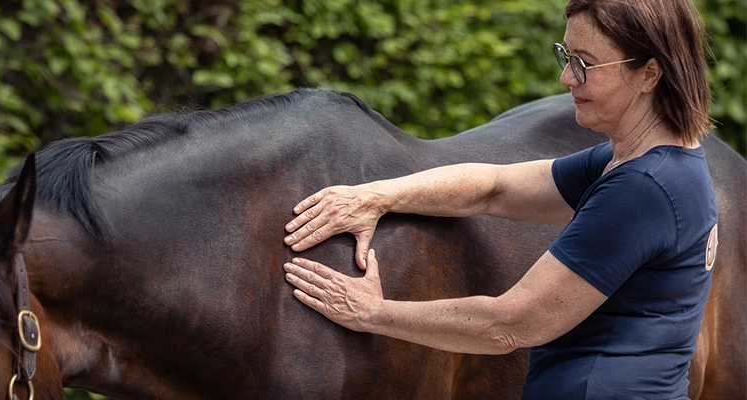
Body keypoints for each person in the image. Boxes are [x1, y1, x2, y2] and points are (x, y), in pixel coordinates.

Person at [282, 0, 718, 398]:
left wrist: (371, 313)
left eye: (586, 64)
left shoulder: (642, 188)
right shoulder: (642, 162)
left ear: (649, 74)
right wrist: (375, 196)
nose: (567, 78)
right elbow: (496, 187)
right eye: (566, 56)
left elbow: (508, 324)